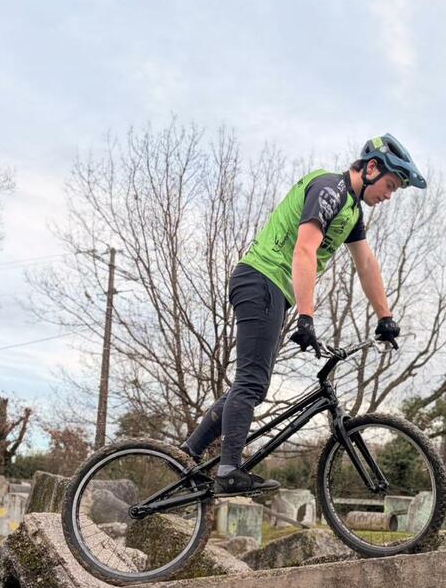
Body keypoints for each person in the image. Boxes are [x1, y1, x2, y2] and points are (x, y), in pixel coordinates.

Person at [181, 134, 427, 494]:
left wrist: (384, 317)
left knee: (250, 384)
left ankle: (185, 455)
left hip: (270, 289)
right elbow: (305, 250)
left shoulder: (351, 211)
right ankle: (229, 469)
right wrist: (306, 317)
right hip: (261, 279)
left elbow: (366, 264)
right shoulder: (330, 190)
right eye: (390, 185)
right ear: (372, 168)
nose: (389, 195)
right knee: (251, 383)